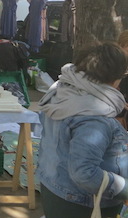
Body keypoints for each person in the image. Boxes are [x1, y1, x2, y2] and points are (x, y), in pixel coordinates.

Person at [37, 42, 128, 217]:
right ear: (115, 78)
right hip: (81, 203)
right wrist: (124, 189)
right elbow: (84, 173)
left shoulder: (63, 90)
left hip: (54, 188)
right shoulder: (94, 116)